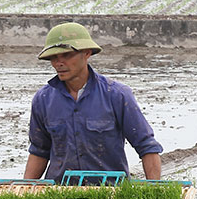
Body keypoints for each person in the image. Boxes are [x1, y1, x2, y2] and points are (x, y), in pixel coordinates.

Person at [23, 22, 163, 182]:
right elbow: (39, 151)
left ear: (86, 53)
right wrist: (24, 191)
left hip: (110, 194)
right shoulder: (43, 99)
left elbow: (147, 147)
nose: (58, 63)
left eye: (67, 55)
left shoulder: (117, 95)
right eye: (53, 58)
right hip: (60, 193)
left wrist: (155, 189)